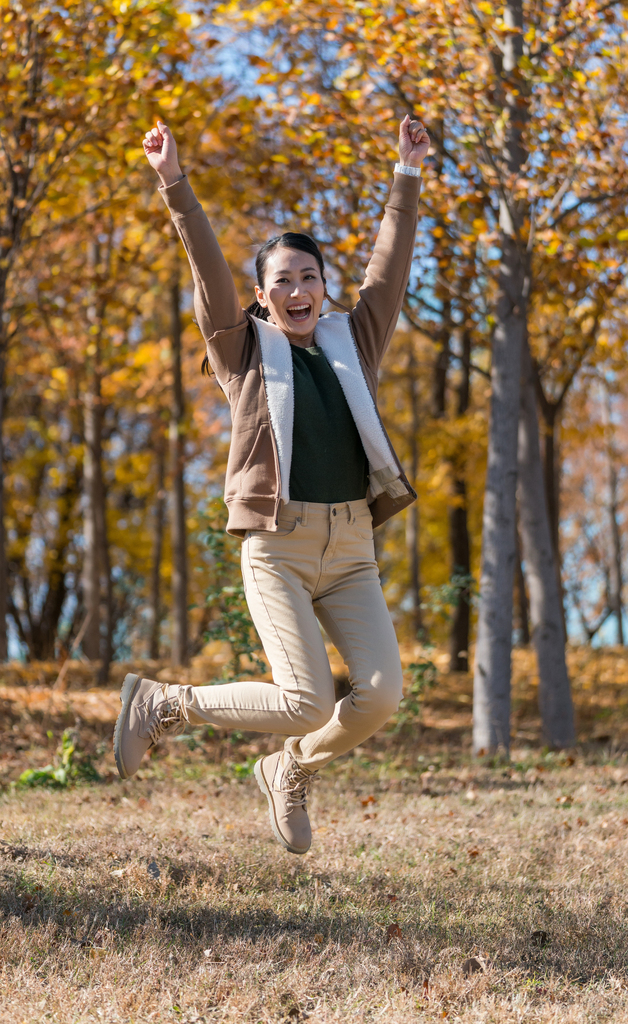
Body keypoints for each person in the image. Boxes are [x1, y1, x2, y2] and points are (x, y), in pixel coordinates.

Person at [113, 114, 429, 855]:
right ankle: (166, 703)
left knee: (381, 695)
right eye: (281, 280)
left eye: (308, 277)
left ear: (323, 288)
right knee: (305, 697)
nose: (297, 289)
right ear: (261, 295)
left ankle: (287, 767)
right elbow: (208, 271)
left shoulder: (356, 340)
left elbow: (389, 269)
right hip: (278, 547)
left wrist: (407, 174)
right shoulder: (241, 349)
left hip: (350, 547)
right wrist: (174, 184)